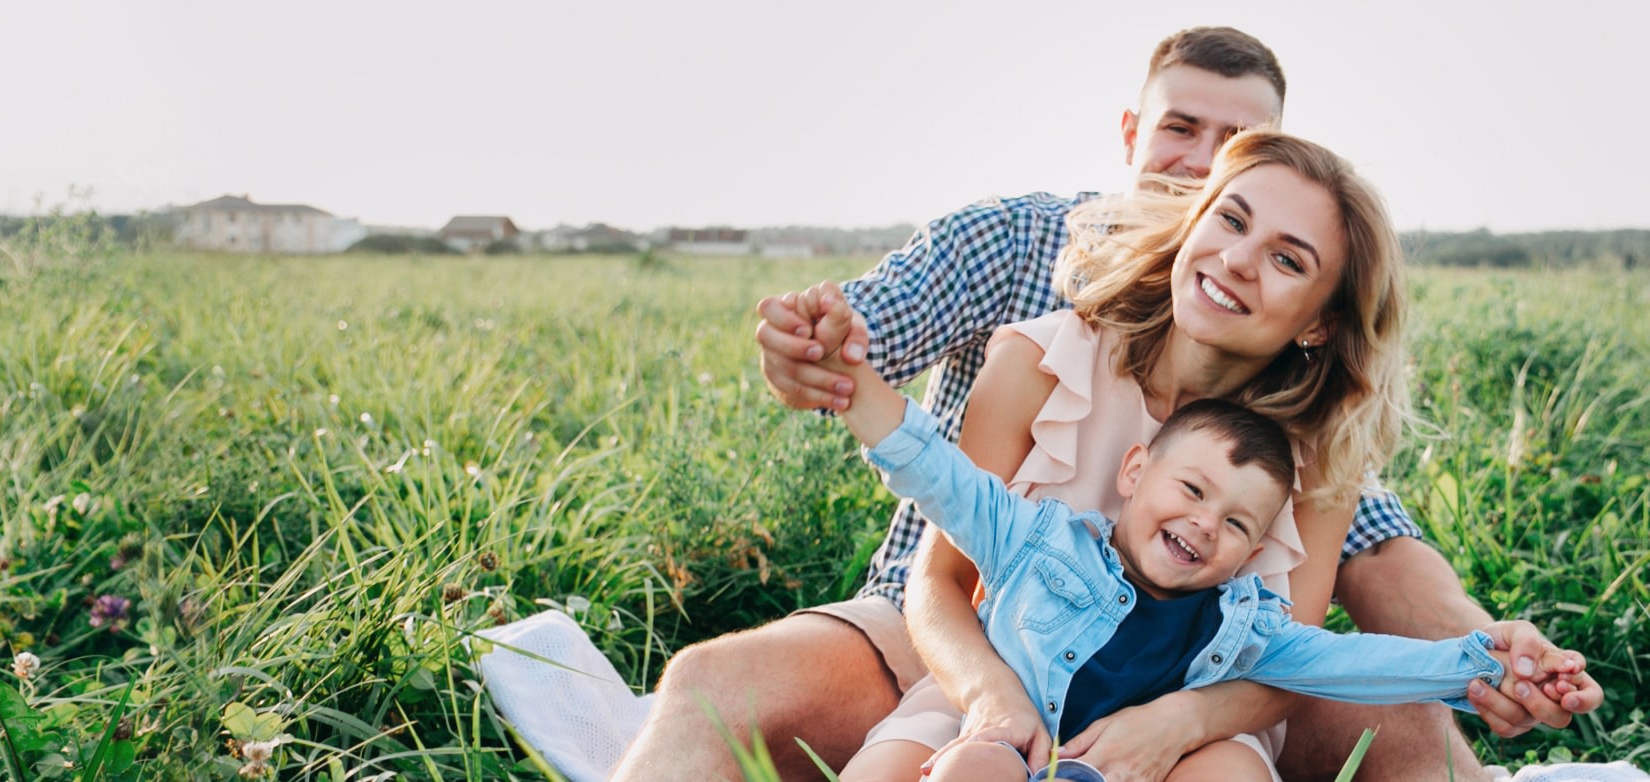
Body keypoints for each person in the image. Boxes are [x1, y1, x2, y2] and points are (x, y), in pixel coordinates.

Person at [610, 27, 1601, 782]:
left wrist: (1492, 651)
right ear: (1137, 135)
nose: (1205, 172)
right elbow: (877, 377)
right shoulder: (1033, 290)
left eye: (1284, 250)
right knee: (724, 687)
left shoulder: (1308, 429)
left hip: (1199, 684)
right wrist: (815, 345)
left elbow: (1360, 568)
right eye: (1185, 133)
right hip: (963, 629)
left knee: (1412, 732)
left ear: (1317, 315)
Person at [813, 352, 1588, 782]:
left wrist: (1481, 663)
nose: (1201, 524)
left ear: (1253, 553)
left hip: (1119, 772)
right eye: (1190, 489)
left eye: (1235, 523)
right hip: (1005, 743)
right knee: (972, 772)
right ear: (1134, 471)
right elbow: (941, 477)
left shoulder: (1243, 627)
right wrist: (858, 392)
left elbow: (1357, 663)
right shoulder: (1039, 542)